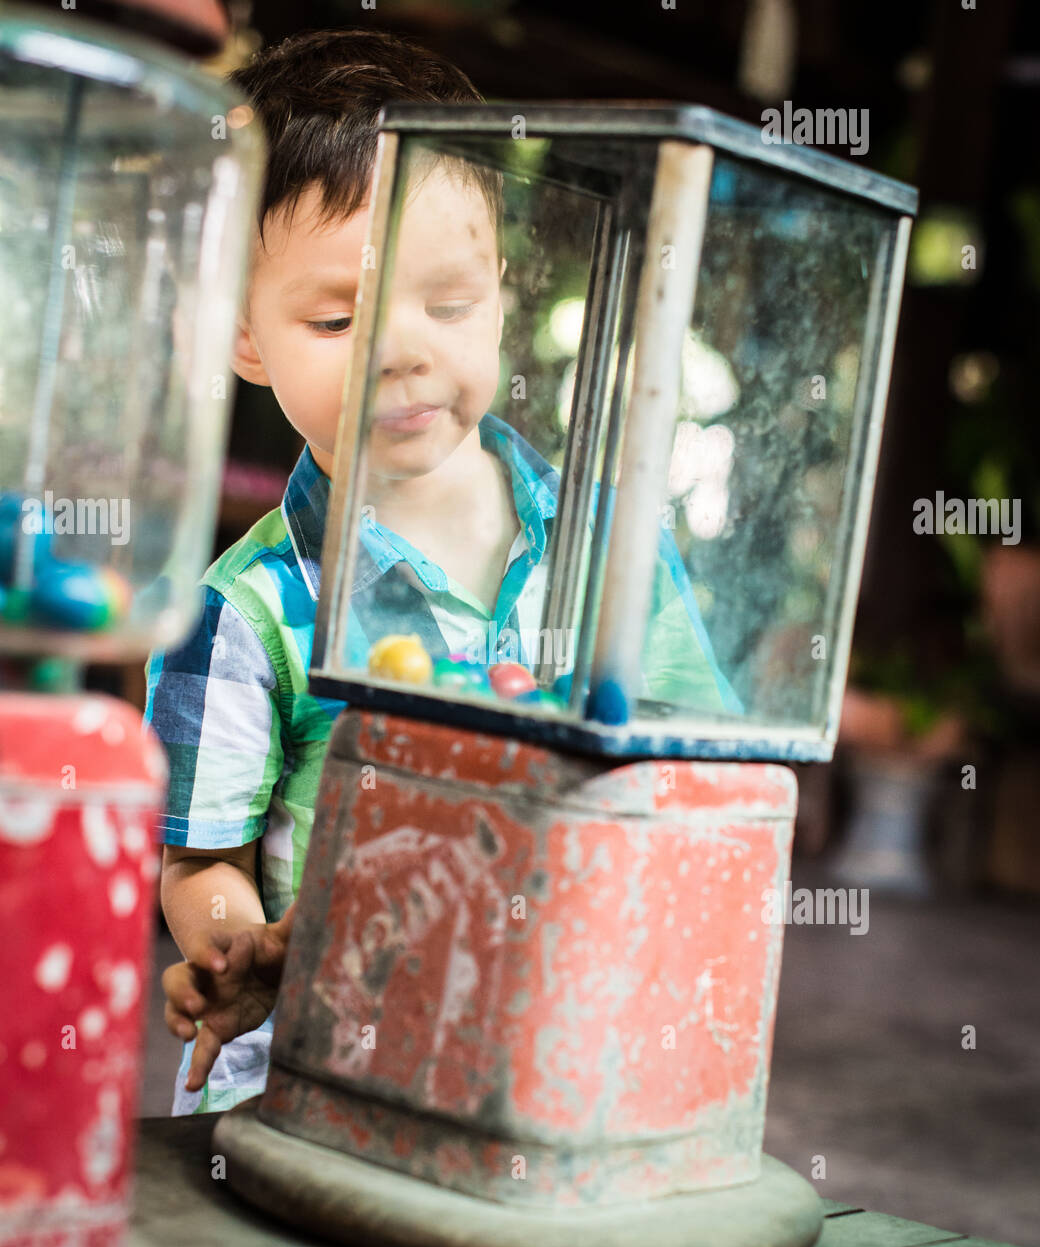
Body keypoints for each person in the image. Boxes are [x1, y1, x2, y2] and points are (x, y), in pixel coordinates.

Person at [147, 28, 738, 1115]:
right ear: (240, 332)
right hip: (310, 1090)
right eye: (335, 318)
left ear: (503, 291)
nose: (399, 349)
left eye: (449, 304)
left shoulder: (609, 552)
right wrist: (240, 954)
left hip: (551, 1068)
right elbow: (199, 860)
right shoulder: (240, 609)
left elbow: (696, 773)